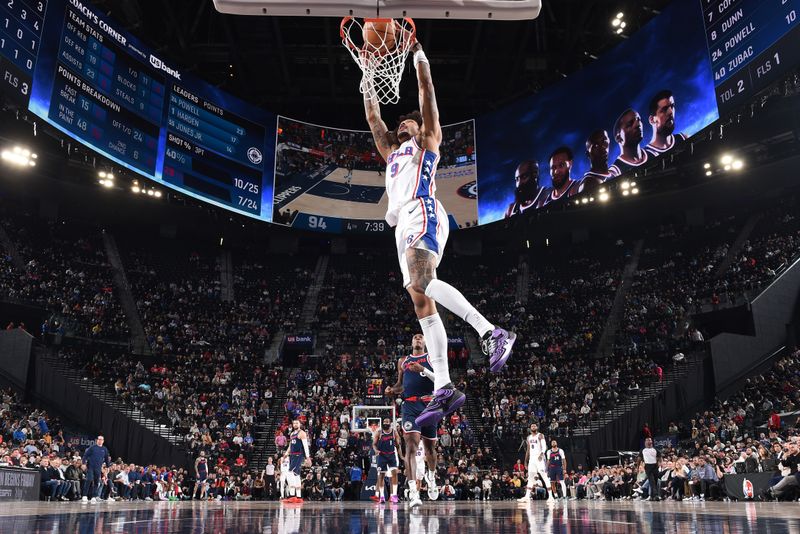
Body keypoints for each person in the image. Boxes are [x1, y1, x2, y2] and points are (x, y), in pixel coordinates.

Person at [363, 33, 516, 429]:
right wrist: (367, 72)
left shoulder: (427, 141)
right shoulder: (391, 151)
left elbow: (427, 90)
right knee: (420, 301)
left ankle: (491, 331)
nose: (402, 124)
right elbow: (373, 118)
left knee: (423, 279)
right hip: (402, 224)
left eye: (407, 121)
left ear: (419, 127)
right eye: (401, 123)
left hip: (424, 211)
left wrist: (417, 54)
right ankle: (445, 385)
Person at [385, 333, 440, 507]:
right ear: (411, 342)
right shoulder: (403, 361)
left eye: (420, 336)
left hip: (429, 404)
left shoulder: (432, 358)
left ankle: (431, 477)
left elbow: (440, 380)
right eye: (415, 337)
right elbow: (401, 385)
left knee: (430, 449)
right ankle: (413, 493)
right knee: (410, 447)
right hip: (409, 407)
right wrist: (392, 390)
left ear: (425, 341)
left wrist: (422, 369)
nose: (417, 338)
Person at [645, 90, 686, 157]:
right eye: (664, 109)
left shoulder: (683, 138)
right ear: (652, 120)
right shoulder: (647, 156)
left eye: (672, 106)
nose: (671, 112)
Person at [519, 423, 552, 501]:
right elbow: (528, 450)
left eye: (534, 426)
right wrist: (525, 461)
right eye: (532, 426)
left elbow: (544, 446)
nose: (533, 427)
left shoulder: (540, 435)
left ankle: (551, 497)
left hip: (539, 458)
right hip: (532, 459)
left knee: (544, 476)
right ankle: (527, 496)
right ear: (530, 428)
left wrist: (541, 454)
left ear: (537, 427)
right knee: (530, 478)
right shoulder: (528, 437)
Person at [612, 109, 649, 175]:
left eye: (639, 120)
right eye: (630, 124)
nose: (638, 124)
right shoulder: (615, 173)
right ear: (619, 137)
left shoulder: (654, 154)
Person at [372, 418, 400, 504]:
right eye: (384, 422)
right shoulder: (379, 432)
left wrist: (400, 454)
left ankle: (394, 495)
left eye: (387, 422)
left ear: (390, 423)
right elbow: (374, 444)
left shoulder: (394, 432)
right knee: (381, 476)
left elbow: (398, 444)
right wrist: (376, 450)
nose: (385, 423)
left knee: (394, 473)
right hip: (382, 455)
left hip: (391, 455)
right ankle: (382, 497)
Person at [282, 419, 311, 503]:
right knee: (296, 475)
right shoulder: (292, 434)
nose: (295, 424)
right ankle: (298, 496)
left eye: (296, 423)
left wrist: (308, 457)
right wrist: (285, 455)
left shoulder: (302, 433)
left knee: (290, 473)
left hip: (298, 455)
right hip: (292, 455)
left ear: (300, 424)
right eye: (294, 423)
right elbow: (290, 446)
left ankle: (292, 495)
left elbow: (305, 446)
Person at [81, 435, 111, 503]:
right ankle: (84, 495)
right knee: (89, 480)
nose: (100, 441)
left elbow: (106, 459)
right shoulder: (92, 448)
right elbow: (85, 455)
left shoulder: (104, 449)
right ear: (97, 440)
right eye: (99, 439)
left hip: (98, 468)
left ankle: (93, 496)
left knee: (97, 482)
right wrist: (83, 463)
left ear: (103, 441)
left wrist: (107, 467)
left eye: (101, 439)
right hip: (90, 467)